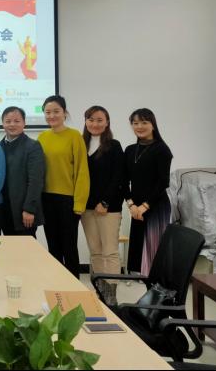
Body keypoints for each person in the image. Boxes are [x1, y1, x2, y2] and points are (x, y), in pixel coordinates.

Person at [37, 95, 90, 278]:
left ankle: (73, 285)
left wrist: (79, 203)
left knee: (69, 246)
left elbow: (82, 171)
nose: (51, 115)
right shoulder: (42, 137)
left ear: (64, 113)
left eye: (56, 111)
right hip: (46, 198)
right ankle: (57, 284)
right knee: (53, 246)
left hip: (68, 200)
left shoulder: (74, 136)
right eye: (48, 112)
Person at [80, 105, 124, 303]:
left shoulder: (114, 145)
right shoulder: (81, 144)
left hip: (108, 208)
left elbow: (118, 177)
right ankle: (100, 289)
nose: (95, 124)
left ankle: (111, 293)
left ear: (107, 123)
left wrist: (105, 202)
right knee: (95, 250)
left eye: (99, 120)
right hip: (86, 207)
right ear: (85, 122)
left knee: (110, 251)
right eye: (91, 119)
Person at [123, 108, 173, 276]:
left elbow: (163, 182)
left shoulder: (162, 149)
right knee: (138, 251)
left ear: (153, 125)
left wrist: (144, 206)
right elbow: (123, 181)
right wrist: (131, 205)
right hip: (135, 207)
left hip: (156, 205)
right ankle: (142, 282)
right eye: (135, 123)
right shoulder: (130, 150)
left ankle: (157, 285)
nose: (139, 126)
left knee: (154, 250)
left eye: (144, 122)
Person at [0, 106, 45, 237]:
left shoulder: (33, 146)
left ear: (24, 123)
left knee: (27, 247)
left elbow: (36, 181)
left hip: (24, 211)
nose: (12, 124)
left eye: (17, 121)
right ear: (3, 124)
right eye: (8, 121)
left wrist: (29, 209)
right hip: (4, 210)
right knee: (9, 246)